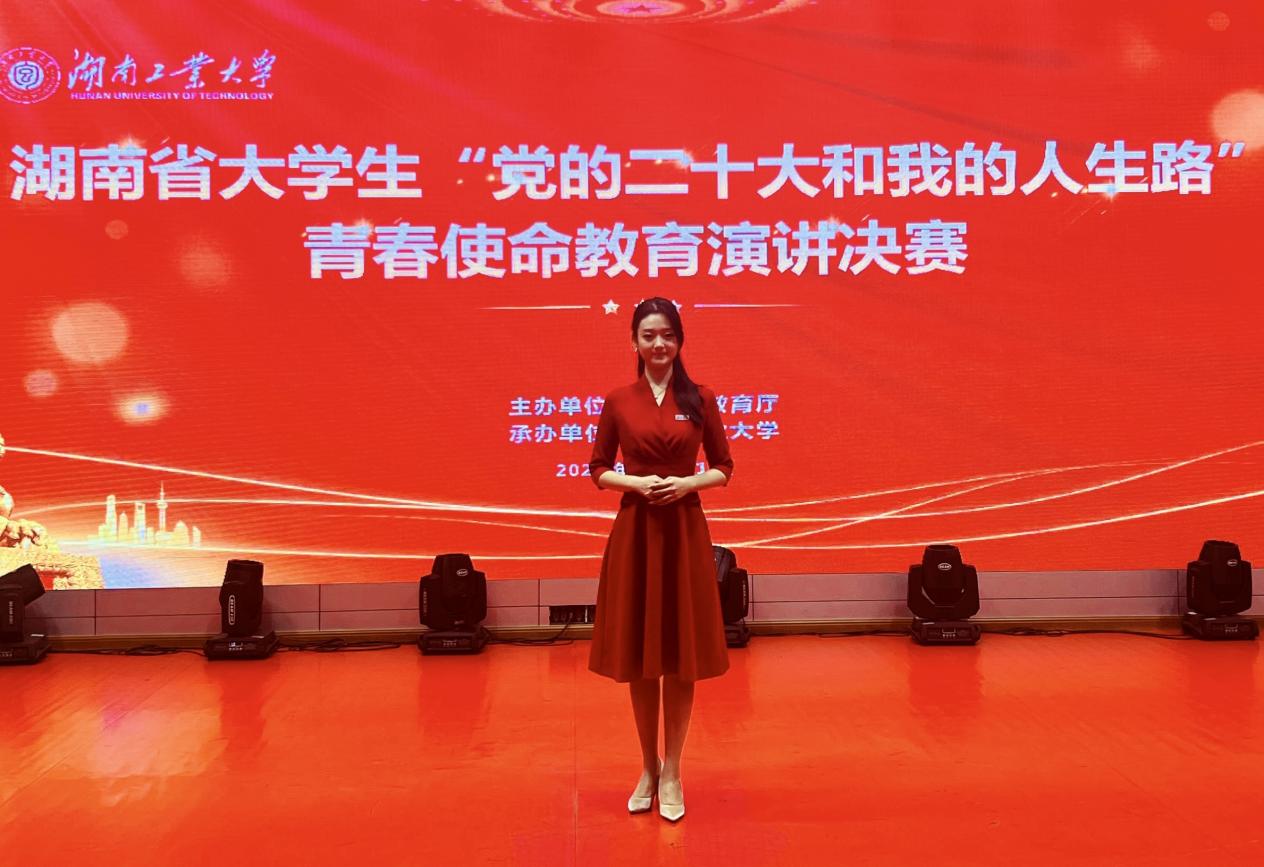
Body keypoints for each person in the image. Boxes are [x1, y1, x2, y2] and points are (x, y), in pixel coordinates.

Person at [587, 297, 734, 822]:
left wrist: (688, 483)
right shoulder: (618, 400)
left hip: (684, 532)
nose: (658, 344)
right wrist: (636, 483)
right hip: (637, 532)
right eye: (648, 335)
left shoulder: (700, 398)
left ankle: (673, 770)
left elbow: (724, 467)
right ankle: (647, 767)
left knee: (681, 655)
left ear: (679, 341)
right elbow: (598, 468)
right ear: (634, 341)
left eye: (667, 335)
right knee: (642, 657)